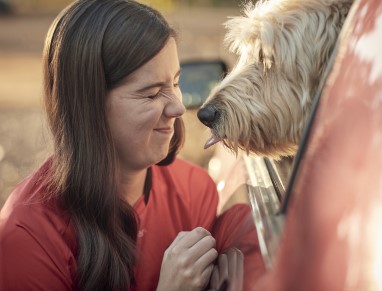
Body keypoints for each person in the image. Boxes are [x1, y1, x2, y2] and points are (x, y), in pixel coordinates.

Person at [0, 0, 264, 290]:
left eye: (176, 82)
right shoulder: (27, 237)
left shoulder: (194, 191)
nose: (178, 107)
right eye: (151, 94)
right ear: (88, 107)